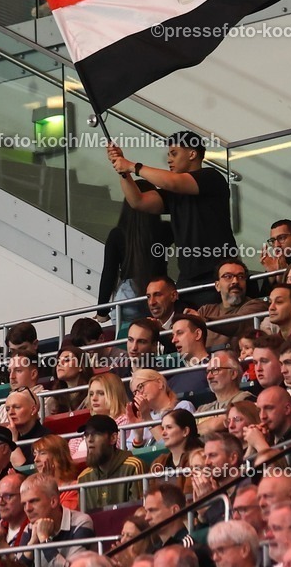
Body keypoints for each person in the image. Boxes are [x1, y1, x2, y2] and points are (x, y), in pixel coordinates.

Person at [108, 130, 237, 305]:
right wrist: (123, 171)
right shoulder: (174, 193)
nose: (169, 159)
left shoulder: (212, 177)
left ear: (192, 154)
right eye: (169, 154)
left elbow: (173, 182)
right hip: (187, 276)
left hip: (217, 271)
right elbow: (138, 201)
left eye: (174, 153)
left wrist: (133, 166)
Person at [95, 179, 173, 328]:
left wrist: (102, 310)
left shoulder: (117, 234)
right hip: (159, 290)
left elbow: (109, 272)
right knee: (160, 339)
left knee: (130, 343)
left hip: (129, 294)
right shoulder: (165, 230)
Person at [245, 386, 291, 493]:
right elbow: (246, 484)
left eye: (269, 408)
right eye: (259, 410)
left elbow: (286, 480)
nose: (262, 416)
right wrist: (252, 447)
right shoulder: (270, 439)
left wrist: (260, 444)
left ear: (287, 409)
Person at [193, 259, 268, 350]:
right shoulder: (206, 310)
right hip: (206, 363)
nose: (235, 281)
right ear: (217, 286)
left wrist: (204, 320)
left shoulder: (257, 305)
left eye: (241, 277)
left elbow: (239, 323)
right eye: (228, 276)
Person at [76, 415, 145, 511]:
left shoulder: (133, 467)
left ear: (113, 438)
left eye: (96, 434)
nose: (89, 439)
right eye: (86, 435)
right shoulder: (83, 478)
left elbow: (140, 513)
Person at [126, 369, 195, 448]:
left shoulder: (182, 407)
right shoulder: (141, 418)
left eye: (140, 387)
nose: (138, 394)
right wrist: (138, 435)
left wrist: (147, 419)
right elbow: (131, 456)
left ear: (159, 383)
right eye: (135, 392)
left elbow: (171, 447)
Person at [68, 374, 130, 459]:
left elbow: (113, 449)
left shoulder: (125, 421)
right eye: (91, 394)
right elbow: (70, 456)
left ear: (115, 394)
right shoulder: (88, 425)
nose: (94, 398)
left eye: (101, 393)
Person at [195, 351, 254, 435]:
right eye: (208, 372)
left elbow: (215, 425)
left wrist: (201, 427)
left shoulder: (246, 400)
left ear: (233, 374)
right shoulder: (203, 409)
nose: (209, 377)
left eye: (215, 370)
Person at [150, 409, 202, 494]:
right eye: (163, 428)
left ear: (185, 431)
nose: (163, 433)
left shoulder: (198, 460)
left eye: (169, 427)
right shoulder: (158, 462)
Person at [33, 435, 80, 510]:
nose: (36, 459)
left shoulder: (74, 488)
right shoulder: (34, 490)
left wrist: (49, 484)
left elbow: (63, 515)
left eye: (42, 453)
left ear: (59, 457)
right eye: (34, 454)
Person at [48, 345, 93, 415]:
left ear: (81, 366)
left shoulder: (92, 393)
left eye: (66, 360)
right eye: (58, 361)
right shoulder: (53, 399)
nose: (60, 364)